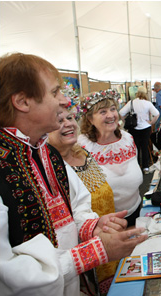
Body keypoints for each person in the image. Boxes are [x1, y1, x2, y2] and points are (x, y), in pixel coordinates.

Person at [0, 52, 146, 295]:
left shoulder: (48, 153)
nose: (65, 101)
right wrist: (94, 252)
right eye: (55, 92)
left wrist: (93, 225)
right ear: (23, 102)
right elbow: (6, 273)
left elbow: (75, 208)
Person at [48, 106, 119, 294]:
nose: (68, 124)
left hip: (107, 238)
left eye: (70, 118)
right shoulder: (50, 169)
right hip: (82, 256)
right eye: (59, 120)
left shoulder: (83, 154)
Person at [77, 90, 143, 227]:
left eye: (113, 109)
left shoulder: (127, 139)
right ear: (90, 119)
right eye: (102, 112)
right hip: (107, 222)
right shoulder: (83, 147)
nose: (111, 115)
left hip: (137, 211)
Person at [119, 86, 160, 174]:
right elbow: (157, 114)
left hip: (133, 128)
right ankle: (145, 167)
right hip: (145, 127)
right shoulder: (148, 103)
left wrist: (125, 121)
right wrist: (151, 122)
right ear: (145, 93)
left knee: (135, 147)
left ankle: (136, 167)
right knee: (144, 147)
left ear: (137, 93)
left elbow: (121, 113)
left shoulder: (131, 103)